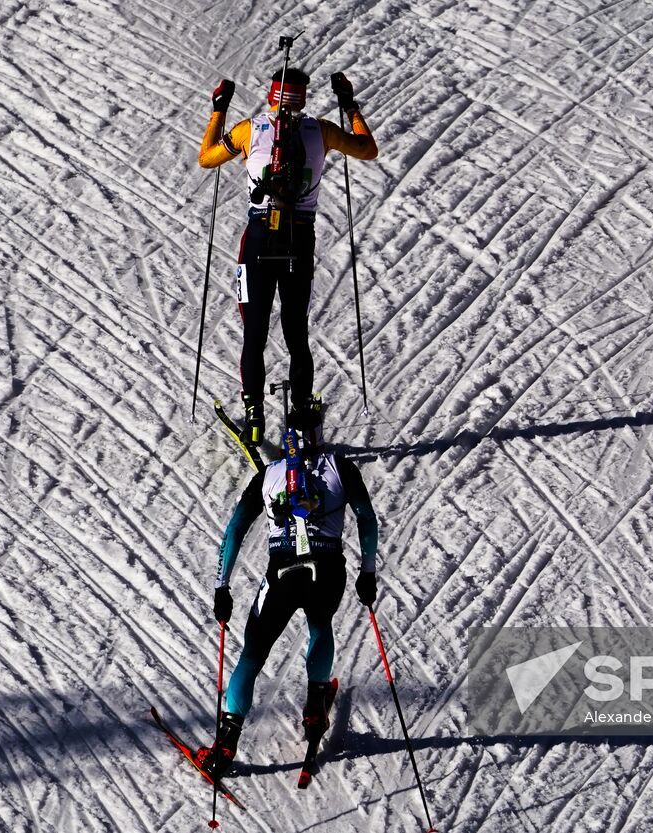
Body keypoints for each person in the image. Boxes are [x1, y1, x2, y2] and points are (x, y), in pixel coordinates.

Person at [198, 68, 379, 448]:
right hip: (301, 237)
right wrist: (350, 105)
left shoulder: (250, 129)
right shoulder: (322, 130)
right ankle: (302, 414)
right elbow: (367, 149)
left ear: (271, 96)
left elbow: (207, 159)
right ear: (304, 98)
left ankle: (254, 416)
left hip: (260, 238)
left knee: (254, 333)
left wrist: (220, 110)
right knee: (297, 332)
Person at [200, 407, 379, 778]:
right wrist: (368, 572)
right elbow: (366, 518)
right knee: (320, 625)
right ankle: (315, 704)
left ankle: (227, 742)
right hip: (327, 568)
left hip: (282, 570)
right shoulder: (340, 465)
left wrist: (222, 585)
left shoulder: (268, 474)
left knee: (253, 652)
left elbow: (235, 529)